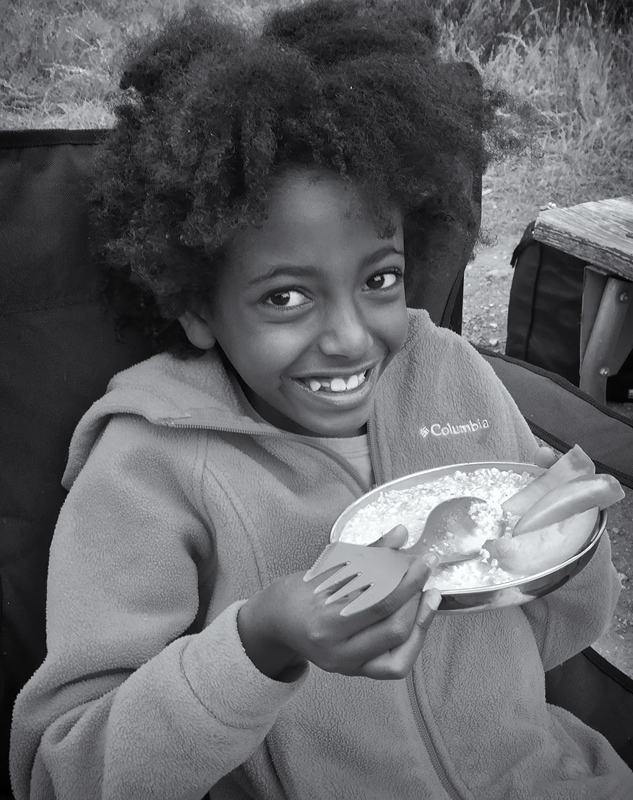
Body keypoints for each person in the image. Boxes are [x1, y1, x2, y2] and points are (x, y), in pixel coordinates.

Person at [9, 1, 633, 798]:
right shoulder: (147, 468)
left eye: (378, 279)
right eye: (284, 298)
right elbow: (63, 772)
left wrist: (560, 536)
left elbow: (555, 626)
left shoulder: (450, 374)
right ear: (197, 307)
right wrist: (258, 648)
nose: (347, 337)